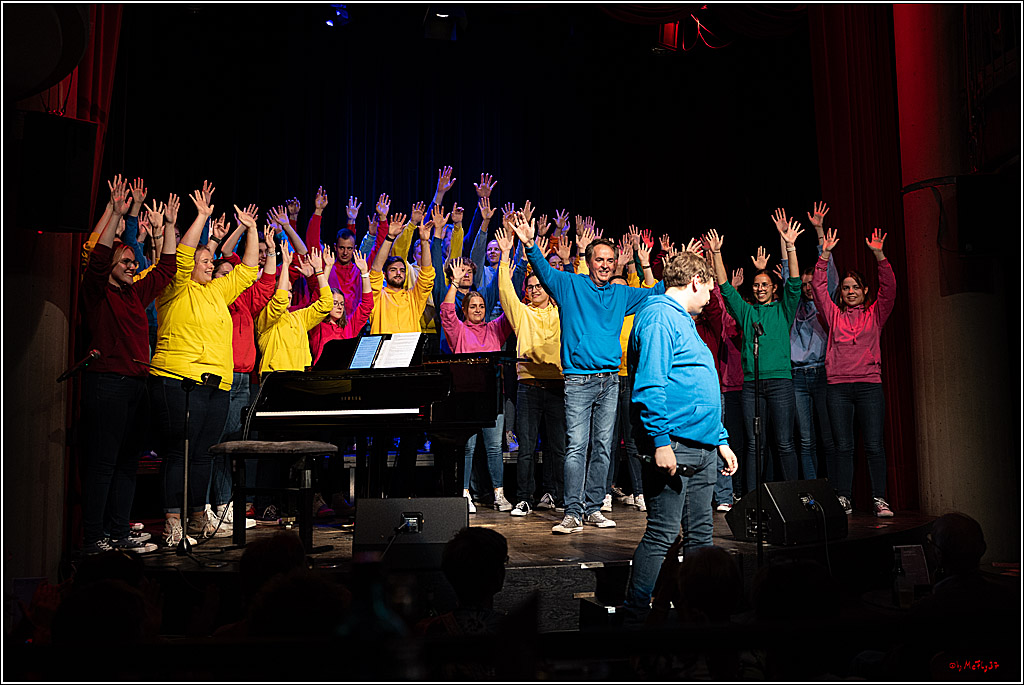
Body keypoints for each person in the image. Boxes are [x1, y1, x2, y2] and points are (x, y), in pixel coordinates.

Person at [510, 213, 664, 534]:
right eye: (599, 259)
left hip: (610, 380)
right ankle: (572, 512)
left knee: (603, 448)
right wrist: (530, 244)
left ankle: (594, 507)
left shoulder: (620, 293)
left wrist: (676, 269)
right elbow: (544, 271)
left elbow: (657, 292)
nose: (605, 265)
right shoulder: (571, 285)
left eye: (610, 260)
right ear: (589, 262)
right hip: (578, 381)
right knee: (577, 447)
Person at [622, 251, 738, 619]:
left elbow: (698, 386)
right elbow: (650, 384)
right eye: (710, 289)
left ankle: (698, 611)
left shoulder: (683, 321)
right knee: (662, 532)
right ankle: (634, 615)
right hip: (675, 444)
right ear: (695, 281)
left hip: (702, 446)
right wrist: (660, 442)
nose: (711, 296)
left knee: (701, 535)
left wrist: (720, 440)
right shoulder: (659, 316)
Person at [149, 189, 260, 546]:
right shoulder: (175, 288)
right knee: (180, 452)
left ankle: (197, 517)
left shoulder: (216, 291)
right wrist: (201, 217)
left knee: (202, 455)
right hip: (179, 380)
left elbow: (249, 271)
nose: (210, 264)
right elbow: (182, 256)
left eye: (212, 261)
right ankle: (172, 520)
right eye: (205, 260)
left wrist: (251, 229)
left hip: (217, 385)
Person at [79, 182, 176, 555]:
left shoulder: (136, 292)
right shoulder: (97, 292)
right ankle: (94, 538)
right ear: (111, 267)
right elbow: (98, 259)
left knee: (127, 463)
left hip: (137, 385)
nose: (133, 266)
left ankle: (119, 532)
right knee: (103, 463)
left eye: (134, 262)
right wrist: (117, 213)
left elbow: (166, 268)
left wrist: (170, 226)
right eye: (126, 262)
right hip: (107, 383)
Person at [708, 211, 803, 493]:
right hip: (752, 385)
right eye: (756, 285)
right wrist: (717, 254)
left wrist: (790, 246)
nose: (760, 288)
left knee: (784, 443)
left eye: (765, 285)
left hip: (780, 383)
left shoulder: (783, 310)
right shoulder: (747, 312)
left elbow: (794, 283)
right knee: (754, 445)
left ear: (774, 288)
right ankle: (752, 498)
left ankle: (793, 497)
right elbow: (726, 289)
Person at [813, 227, 896, 516]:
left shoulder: (875, 314)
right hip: (838, 388)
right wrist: (824, 256)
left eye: (855, 288)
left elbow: (890, 289)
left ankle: (879, 499)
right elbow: (818, 288)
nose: (850, 292)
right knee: (843, 446)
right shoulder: (833, 315)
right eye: (846, 288)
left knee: (874, 445)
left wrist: (879, 256)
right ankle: (844, 497)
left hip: (869, 386)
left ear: (865, 291)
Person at [495, 229, 566, 517]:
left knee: (557, 446)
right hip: (529, 385)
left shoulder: (561, 312)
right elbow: (505, 292)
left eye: (539, 285)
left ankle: (553, 494)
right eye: (531, 287)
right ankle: (524, 497)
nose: (535, 290)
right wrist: (504, 257)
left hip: (558, 386)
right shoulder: (522, 313)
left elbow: (576, 289)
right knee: (525, 447)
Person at [441, 257, 514, 512]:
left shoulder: (494, 329)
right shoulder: (458, 331)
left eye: (481, 306)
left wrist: (506, 281)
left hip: (493, 396)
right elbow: (446, 312)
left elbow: (511, 313)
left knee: (494, 448)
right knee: (468, 448)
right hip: (466, 397)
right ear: (465, 310)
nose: (478, 310)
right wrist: (454, 283)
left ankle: (499, 494)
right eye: (473, 306)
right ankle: (465, 495)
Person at [779, 201, 839, 483]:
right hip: (798, 377)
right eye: (804, 284)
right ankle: (814, 487)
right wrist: (785, 240)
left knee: (829, 436)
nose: (807, 288)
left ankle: (834, 490)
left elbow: (830, 277)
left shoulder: (826, 307)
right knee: (806, 439)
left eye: (811, 284)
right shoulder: (792, 308)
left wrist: (819, 231)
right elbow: (786, 279)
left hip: (823, 374)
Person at [308, 252, 374, 364]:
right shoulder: (317, 325)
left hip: (344, 372)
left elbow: (367, 306)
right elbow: (317, 299)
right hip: (322, 372)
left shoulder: (349, 327)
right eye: (335, 303)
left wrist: (364, 274)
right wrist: (325, 269)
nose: (339, 307)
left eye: (342, 304)